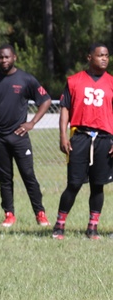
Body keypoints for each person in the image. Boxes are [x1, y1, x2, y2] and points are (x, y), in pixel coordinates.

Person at [0, 44, 52, 228]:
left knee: (28, 175)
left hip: (20, 137)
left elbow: (45, 100)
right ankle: (9, 214)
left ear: (14, 57)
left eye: (7, 57)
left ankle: (40, 213)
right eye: (0, 57)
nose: (4, 60)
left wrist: (32, 123)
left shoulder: (26, 79)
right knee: (5, 178)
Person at [52, 42, 113, 240]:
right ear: (89, 57)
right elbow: (65, 110)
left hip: (104, 138)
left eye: (106, 55)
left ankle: (92, 228)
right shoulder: (74, 81)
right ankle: (59, 226)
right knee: (74, 183)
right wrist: (63, 135)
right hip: (80, 137)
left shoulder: (111, 82)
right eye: (100, 55)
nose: (104, 58)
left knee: (98, 185)